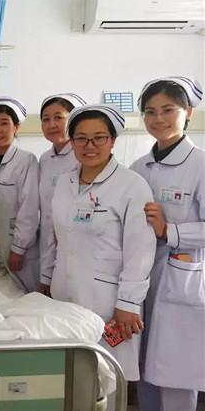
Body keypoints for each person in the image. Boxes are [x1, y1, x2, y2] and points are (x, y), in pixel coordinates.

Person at [45, 104, 156, 383]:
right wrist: (47, 280)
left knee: (106, 379)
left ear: (113, 141)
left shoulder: (132, 186)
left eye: (99, 138)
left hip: (108, 301)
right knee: (70, 377)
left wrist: (128, 303)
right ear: (72, 142)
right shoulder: (64, 182)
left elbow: (140, 251)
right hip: (64, 294)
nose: (90, 145)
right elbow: (56, 237)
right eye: (81, 138)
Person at [130, 77, 204, 411]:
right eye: (150, 111)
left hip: (182, 280)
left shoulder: (201, 165)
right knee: (145, 367)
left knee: (177, 371)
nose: (158, 118)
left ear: (188, 112)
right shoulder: (138, 168)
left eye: (168, 110)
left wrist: (169, 231)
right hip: (142, 280)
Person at [0, 95, 40, 292]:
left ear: (16, 127)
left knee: (28, 293)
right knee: (9, 293)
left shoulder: (26, 161)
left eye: (4, 123)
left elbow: (30, 209)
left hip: (21, 246)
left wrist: (19, 249)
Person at [37, 93, 86, 294]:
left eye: (59, 117)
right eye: (46, 119)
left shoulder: (82, 158)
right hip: (46, 245)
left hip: (76, 245)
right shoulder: (45, 159)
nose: (52, 124)